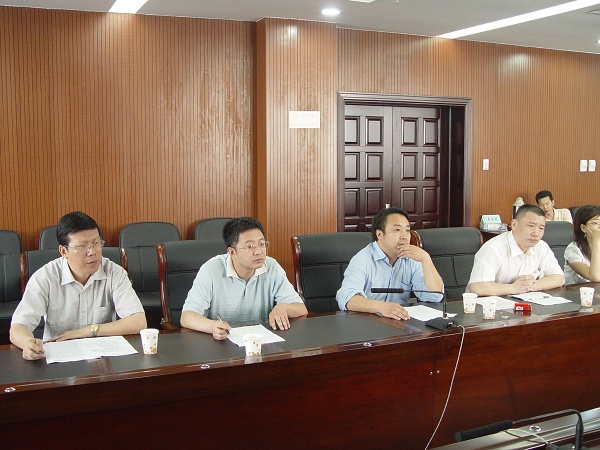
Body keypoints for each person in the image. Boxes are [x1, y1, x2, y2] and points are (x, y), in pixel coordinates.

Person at [10, 212, 147, 360]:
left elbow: (138, 322)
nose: (92, 252)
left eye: (96, 243)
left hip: (103, 357)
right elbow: (18, 327)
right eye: (82, 246)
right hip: (60, 357)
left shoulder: (114, 272)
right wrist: (28, 343)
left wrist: (88, 331)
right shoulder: (45, 278)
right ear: (64, 251)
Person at [180, 217, 307, 339]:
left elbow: (301, 309)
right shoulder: (211, 270)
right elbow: (186, 316)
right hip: (221, 343)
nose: (258, 251)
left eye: (261, 244)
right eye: (249, 246)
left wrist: (284, 307)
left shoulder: (271, 266)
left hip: (260, 341)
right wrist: (212, 326)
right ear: (232, 252)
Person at [336, 207, 443, 321]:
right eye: (397, 230)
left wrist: (426, 259)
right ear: (379, 234)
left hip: (399, 322)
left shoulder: (412, 258)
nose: (404, 236)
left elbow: (434, 296)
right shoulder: (362, 259)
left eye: (407, 230)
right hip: (367, 323)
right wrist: (380, 307)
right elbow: (347, 298)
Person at [467, 204, 565, 296]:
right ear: (514, 224)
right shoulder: (493, 248)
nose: (536, 233)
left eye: (541, 228)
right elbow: (477, 287)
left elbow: (559, 278)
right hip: (488, 305)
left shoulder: (541, 247)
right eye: (531, 226)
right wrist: (514, 288)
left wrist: (532, 285)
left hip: (525, 302)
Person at [564, 204, 600, 284]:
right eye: (595, 223)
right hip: (577, 291)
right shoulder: (573, 249)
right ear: (583, 228)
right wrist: (596, 243)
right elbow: (595, 277)